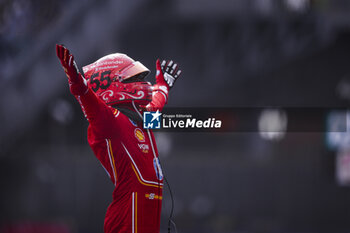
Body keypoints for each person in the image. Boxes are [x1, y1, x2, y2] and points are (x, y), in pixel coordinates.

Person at [55, 44, 182, 233]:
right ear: (111, 82)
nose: (141, 82)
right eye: (135, 77)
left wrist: (162, 85)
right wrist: (76, 81)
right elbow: (89, 101)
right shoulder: (111, 122)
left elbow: (156, 104)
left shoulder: (141, 119)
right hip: (125, 222)